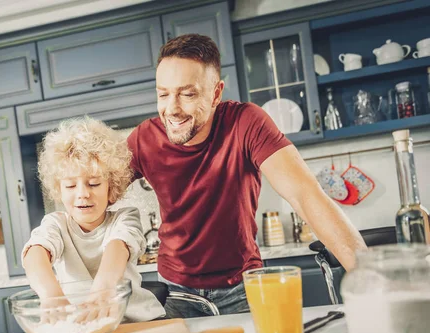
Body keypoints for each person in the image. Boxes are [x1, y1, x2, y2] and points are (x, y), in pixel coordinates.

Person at [127, 34, 367, 318]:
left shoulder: (245, 122)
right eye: (163, 94)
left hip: (244, 287)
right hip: (177, 292)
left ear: (216, 93)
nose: (172, 109)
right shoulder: (144, 138)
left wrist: (371, 279)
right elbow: (93, 190)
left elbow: (305, 195)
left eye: (187, 94)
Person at [22, 116, 165, 322]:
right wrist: (51, 295)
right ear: (58, 189)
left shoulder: (125, 217)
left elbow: (118, 247)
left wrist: (104, 288)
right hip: (83, 325)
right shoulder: (56, 225)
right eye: (70, 186)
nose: (82, 194)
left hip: (138, 323)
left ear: (111, 187)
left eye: (94, 184)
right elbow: (34, 253)